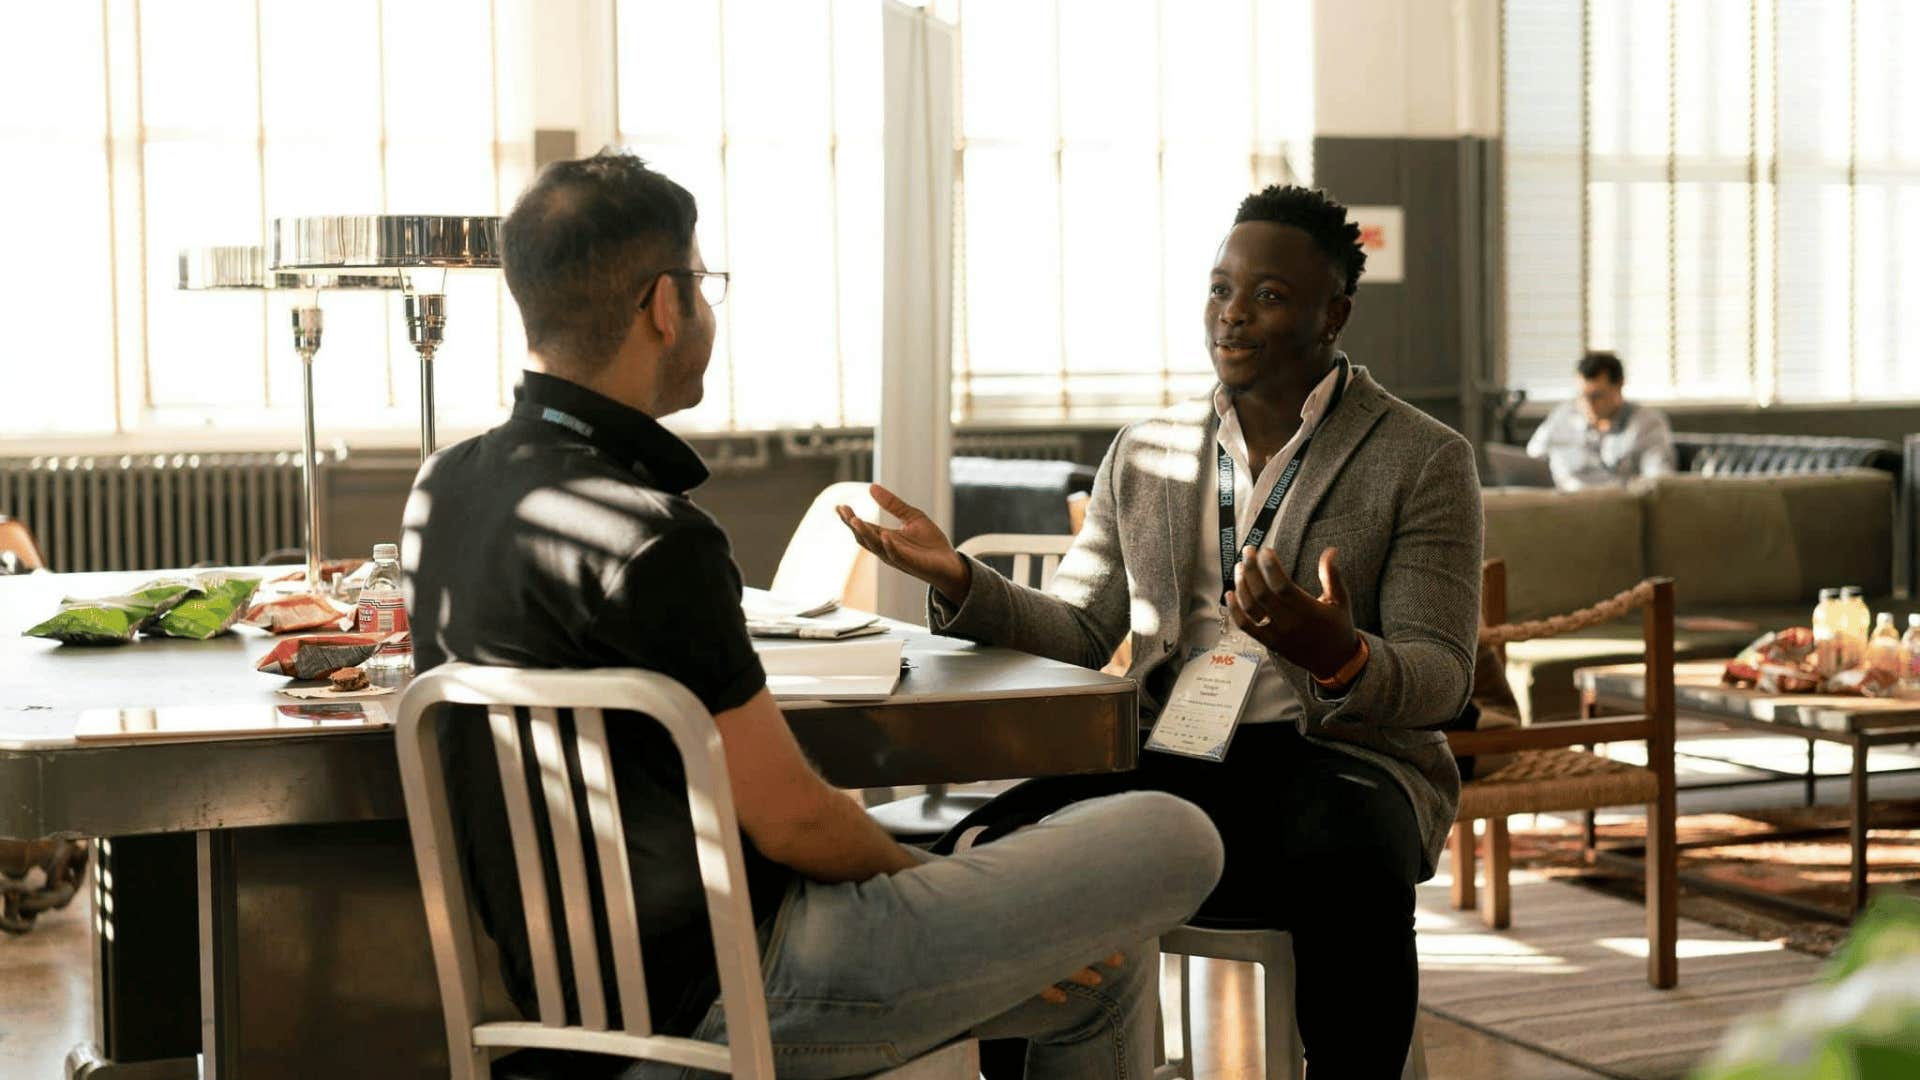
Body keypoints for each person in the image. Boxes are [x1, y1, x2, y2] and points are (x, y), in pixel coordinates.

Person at [403, 151, 1223, 1080]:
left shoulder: (445, 489)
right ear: (664, 305)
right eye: (704, 285)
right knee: (1172, 831)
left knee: (1100, 974)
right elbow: (794, 823)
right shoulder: (658, 538)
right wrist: (938, 891)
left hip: (564, 1009)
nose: (707, 311)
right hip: (741, 993)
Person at [840, 185, 1482, 1076]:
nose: (1233, 316)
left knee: (1351, 859)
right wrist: (957, 578)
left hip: (1338, 758)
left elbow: (1445, 673)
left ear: (1334, 313)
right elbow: (1077, 628)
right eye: (1221, 289)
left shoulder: (1422, 457)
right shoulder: (1144, 449)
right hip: (1169, 756)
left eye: (1269, 295)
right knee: (990, 853)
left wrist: (1338, 651)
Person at [1525, 350, 1677, 490]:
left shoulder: (1646, 423)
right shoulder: (1564, 415)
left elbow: (1659, 480)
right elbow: (1532, 458)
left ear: (1619, 385)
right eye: (1583, 396)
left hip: (1615, 505)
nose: (1588, 405)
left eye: (1597, 396)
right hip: (1563, 504)